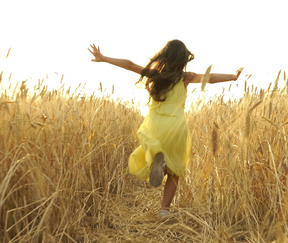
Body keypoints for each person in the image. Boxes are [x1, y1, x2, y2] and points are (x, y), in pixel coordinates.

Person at [88, 40, 243, 219]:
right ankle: (164, 210)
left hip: (155, 124)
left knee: (153, 147)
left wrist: (104, 58)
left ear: (165, 56)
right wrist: (232, 76)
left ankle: (158, 162)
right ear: (183, 59)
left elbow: (130, 65)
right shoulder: (186, 77)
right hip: (176, 126)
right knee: (176, 169)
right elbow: (211, 77)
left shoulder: (155, 75)